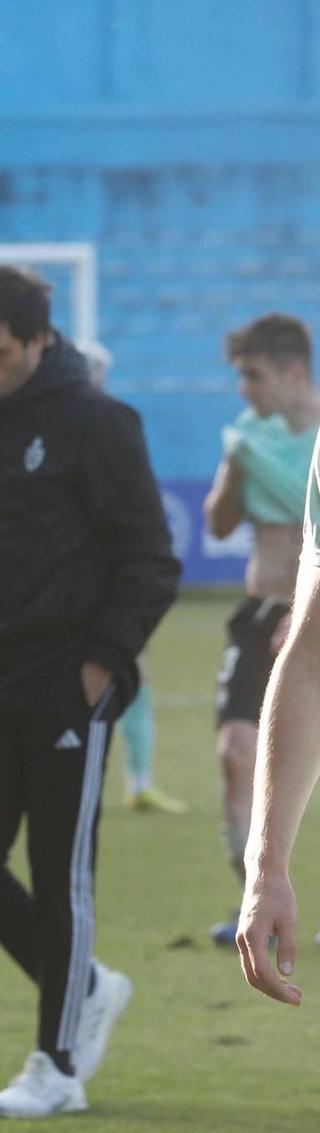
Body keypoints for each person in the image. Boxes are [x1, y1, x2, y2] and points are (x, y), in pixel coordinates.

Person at [0, 266, 178, 1119]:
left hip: (68, 684)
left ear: (37, 341)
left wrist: (101, 662)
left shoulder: (98, 423)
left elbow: (150, 559)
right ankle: (90, 987)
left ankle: (57, 1065)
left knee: (60, 873)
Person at [202, 315, 320, 946]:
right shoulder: (249, 437)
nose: (244, 389)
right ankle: (255, 900)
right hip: (258, 614)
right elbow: (219, 524)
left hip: (310, 616)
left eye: (253, 375)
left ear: (293, 371)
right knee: (235, 755)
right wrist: (233, 465)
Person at [79, 341, 186, 817]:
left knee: (131, 672)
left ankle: (137, 781)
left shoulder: (107, 425)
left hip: (108, 578)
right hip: (86, 581)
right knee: (113, 673)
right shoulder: (92, 427)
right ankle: (119, 778)